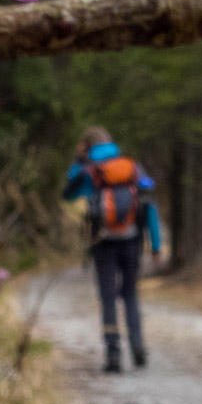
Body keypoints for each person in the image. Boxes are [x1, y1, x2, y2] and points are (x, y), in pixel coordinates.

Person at [64, 126, 164, 373]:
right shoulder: (131, 167)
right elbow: (149, 206)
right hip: (132, 241)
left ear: (86, 146)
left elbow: (68, 193)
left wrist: (79, 161)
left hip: (103, 242)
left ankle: (113, 355)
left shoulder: (89, 170)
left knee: (108, 297)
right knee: (130, 294)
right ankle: (138, 345)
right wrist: (156, 244)